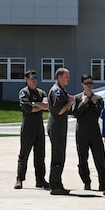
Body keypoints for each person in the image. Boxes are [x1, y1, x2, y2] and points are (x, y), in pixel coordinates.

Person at [72, 75, 105, 191]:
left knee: (100, 158)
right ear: (82, 85)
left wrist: (94, 103)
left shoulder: (98, 98)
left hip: (94, 131)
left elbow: (101, 113)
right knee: (82, 158)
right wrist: (83, 103)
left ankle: (103, 183)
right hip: (82, 132)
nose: (89, 85)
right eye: (87, 83)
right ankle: (86, 181)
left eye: (91, 83)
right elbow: (75, 113)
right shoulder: (77, 98)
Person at [14, 71, 48, 189]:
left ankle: (40, 179)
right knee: (24, 154)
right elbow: (28, 108)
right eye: (32, 77)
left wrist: (36, 104)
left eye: (36, 77)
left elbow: (47, 106)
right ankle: (19, 179)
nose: (34, 80)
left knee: (40, 155)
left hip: (39, 127)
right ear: (26, 79)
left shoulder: (41, 92)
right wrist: (39, 106)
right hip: (28, 127)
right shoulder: (24, 92)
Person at [45, 67, 74, 195]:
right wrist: (69, 103)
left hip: (59, 126)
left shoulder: (60, 90)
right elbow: (59, 110)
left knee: (60, 154)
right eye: (66, 76)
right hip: (56, 127)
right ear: (59, 77)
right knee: (57, 155)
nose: (68, 78)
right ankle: (55, 185)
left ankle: (57, 183)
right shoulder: (56, 91)